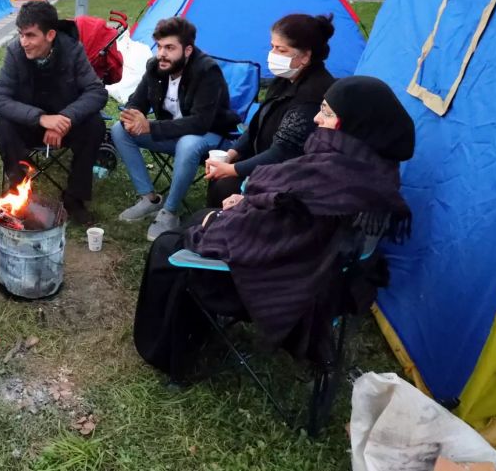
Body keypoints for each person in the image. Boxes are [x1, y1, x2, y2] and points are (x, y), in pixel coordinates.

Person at [133, 76, 415, 381]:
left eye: (327, 113)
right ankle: (192, 327)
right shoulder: (374, 167)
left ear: (354, 123)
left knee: (171, 243)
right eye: (321, 108)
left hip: (274, 284)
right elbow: (293, 217)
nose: (317, 118)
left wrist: (219, 222)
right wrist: (252, 203)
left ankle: (167, 351)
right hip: (322, 275)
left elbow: (272, 235)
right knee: (206, 215)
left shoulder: (332, 175)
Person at [111, 17, 239, 241]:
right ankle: (149, 199)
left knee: (188, 143)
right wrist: (132, 115)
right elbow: (137, 101)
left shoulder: (207, 71)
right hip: (172, 134)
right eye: (159, 46)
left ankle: (169, 212)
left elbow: (200, 122)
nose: (162, 53)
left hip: (212, 136)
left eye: (170, 48)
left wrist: (149, 126)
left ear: (187, 50)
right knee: (119, 130)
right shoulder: (156, 67)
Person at [0, 0, 109, 224]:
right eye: (21, 35)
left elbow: (97, 92)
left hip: (65, 125)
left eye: (31, 36)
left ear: (50, 34)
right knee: (3, 125)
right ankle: (18, 195)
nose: (24, 42)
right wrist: (41, 119)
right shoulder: (15, 52)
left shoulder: (72, 50)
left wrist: (65, 118)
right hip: (30, 124)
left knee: (94, 125)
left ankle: (75, 199)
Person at [205, 13, 336, 209]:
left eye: (280, 49)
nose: (272, 54)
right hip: (265, 166)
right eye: (272, 47)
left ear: (305, 56)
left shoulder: (313, 94)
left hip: (289, 180)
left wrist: (233, 169)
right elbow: (257, 124)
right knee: (221, 184)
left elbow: (283, 151)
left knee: (225, 185)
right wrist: (233, 152)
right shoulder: (284, 80)